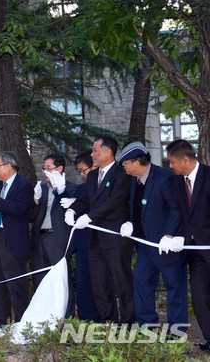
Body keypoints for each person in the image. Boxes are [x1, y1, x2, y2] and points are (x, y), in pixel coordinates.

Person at [117, 141, 187, 331]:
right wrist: (130, 222)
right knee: (141, 282)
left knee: (175, 286)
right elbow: (136, 207)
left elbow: (176, 210)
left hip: (166, 245)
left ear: (136, 161)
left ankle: (176, 331)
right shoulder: (135, 180)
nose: (123, 166)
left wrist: (169, 235)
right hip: (145, 245)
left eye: (125, 163)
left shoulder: (165, 177)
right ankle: (148, 327)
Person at [65, 136, 134, 324]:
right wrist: (73, 209)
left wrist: (89, 216)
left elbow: (113, 201)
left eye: (95, 150)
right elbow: (85, 198)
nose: (92, 154)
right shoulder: (94, 175)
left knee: (122, 282)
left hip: (115, 237)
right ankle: (107, 321)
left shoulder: (122, 174)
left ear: (108, 151)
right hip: (95, 239)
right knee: (99, 283)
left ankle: (128, 322)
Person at [0, 151, 33, 326]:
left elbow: (20, 209)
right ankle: (1, 322)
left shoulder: (23, 185)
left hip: (13, 240)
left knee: (15, 282)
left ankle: (21, 323)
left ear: (8, 166)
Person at [166, 139, 210, 352]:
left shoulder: (209, 176)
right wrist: (176, 236)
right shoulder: (176, 183)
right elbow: (180, 215)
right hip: (194, 252)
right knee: (201, 299)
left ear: (185, 159)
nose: (170, 166)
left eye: (172, 161)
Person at [29, 153, 77, 317]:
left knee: (61, 279)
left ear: (60, 169)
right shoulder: (41, 188)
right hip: (39, 238)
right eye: (44, 168)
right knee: (39, 278)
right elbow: (30, 216)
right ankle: (42, 318)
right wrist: (35, 201)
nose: (45, 172)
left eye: (49, 168)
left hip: (58, 239)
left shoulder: (71, 188)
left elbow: (72, 214)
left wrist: (61, 191)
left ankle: (67, 317)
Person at [60, 150, 98, 321]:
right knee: (83, 284)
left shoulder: (109, 184)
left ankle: (104, 319)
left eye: (84, 170)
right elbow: (69, 203)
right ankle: (86, 318)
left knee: (100, 284)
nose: (83, 175)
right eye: (80, 171)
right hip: (83, 243)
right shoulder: (81, 189)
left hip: (103, 243)